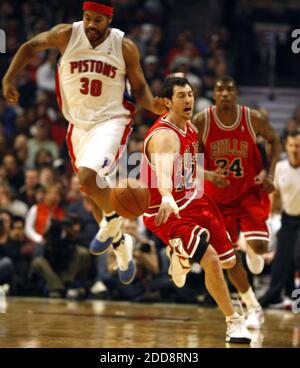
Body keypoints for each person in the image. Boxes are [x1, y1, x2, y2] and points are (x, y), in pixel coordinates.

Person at [2, 0, 166, 285]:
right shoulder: (66, 34)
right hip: (78, 125)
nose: (91, 25)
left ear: (109, 19)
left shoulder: (124, 46)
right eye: (88, 18)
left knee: (88, 180)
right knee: (92, 195)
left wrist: (154, 105)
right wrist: (8, 79)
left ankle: (113, 223)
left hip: (112, 121)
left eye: (98, 20)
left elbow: (139, 87)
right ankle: (121, 246)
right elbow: (28, 47)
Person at [142, 76, 251, 343]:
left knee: (230, 260)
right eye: (181, 96)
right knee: (212, 261)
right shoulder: (165, 136)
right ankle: (233, 321)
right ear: (167, 102)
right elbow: (166, 171)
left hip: (194, 199)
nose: (188, 99)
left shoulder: (189, 127)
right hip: (165, 210)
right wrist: (167, 196)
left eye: (190, 94)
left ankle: (179, 254)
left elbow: (185, 165)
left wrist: (208, 175)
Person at [192, 75, 281, 328]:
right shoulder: (202, 121)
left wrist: (270, 173)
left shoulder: (252, 118)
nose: (225, 94)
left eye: (229, 90)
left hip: (247, 192)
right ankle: (252, 306)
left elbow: (274, 141)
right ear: (215, 93)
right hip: (217, 201)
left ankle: (253, 249)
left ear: (236, 93)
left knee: (260, 247)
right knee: (228, 260)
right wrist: (206, 174)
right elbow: (187, 157)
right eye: (220, 90)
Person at [259, 131, 300, 307]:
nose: (294, 149)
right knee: (282, 259)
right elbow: (273, 195)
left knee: (298, 256)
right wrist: (269, 215)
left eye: (298, 146)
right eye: (291, 145)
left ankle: (295, 295)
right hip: (287, 218)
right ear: (286, 146)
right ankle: (276, 294)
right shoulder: (280, 168)